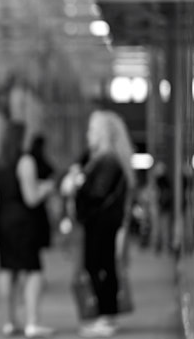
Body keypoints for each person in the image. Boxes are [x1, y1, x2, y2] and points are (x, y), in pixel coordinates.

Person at [61, 110, 135, 338]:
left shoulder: (108, 160)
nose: (88, 134)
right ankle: (105, 314)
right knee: (99, 265)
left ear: (103, 133)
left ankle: (107, 315)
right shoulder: (100, 159)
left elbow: (97, 192)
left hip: (102, 222)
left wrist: (77, 183)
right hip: (100, 222)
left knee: (100, 266)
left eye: (92, 129)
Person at [0, 121, 55, 338]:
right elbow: (31, 198)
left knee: (6, 269)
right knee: (33, 270)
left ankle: (10, 321)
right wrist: (46, 189)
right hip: (23, 220)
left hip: (2, 220)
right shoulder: (25, 161)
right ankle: (32, 321)